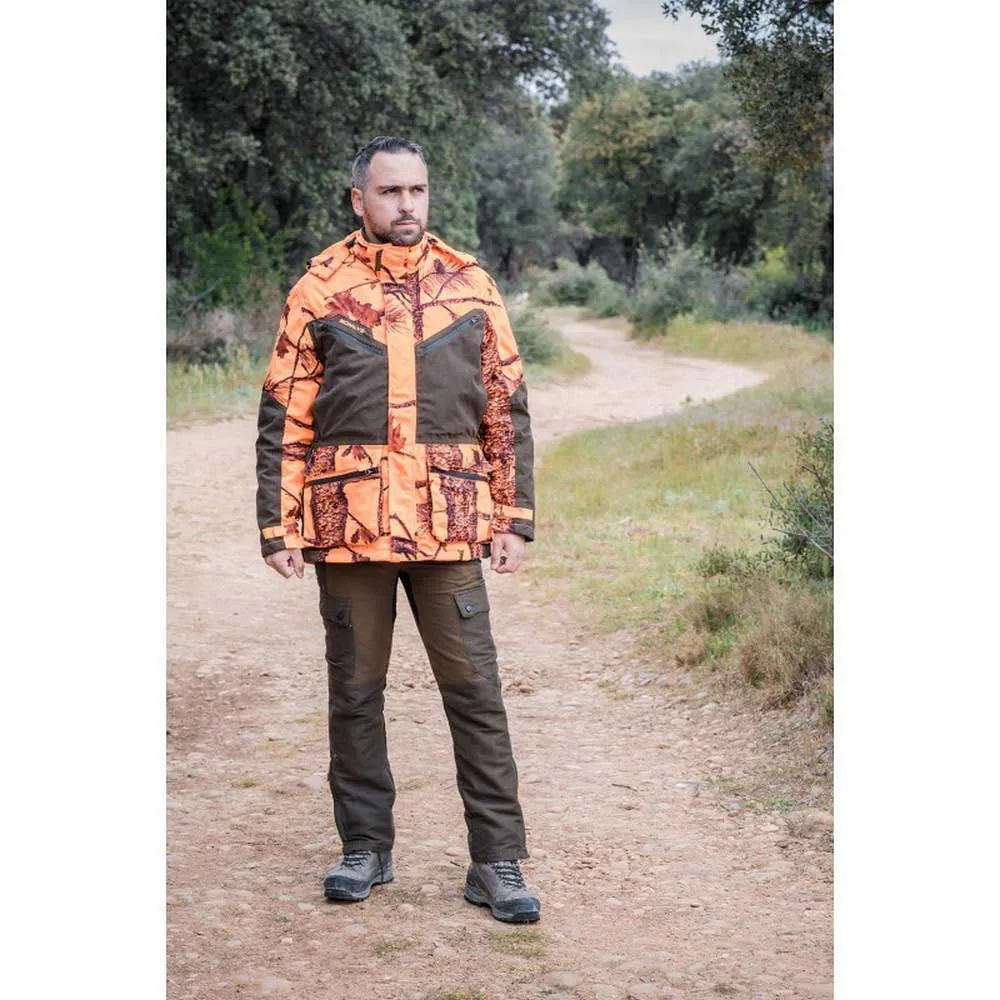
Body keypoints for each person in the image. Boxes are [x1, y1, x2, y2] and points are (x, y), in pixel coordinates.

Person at [254, 135, 539, 924]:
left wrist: (514, 517)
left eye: (417, 189)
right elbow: (285, 414)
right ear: (360, 200)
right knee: (354, 693)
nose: (406, 204)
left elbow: (505, 408)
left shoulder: (470, 283)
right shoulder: (320, 287)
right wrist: (279, 525)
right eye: (390, 192)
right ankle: (365, 850)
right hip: (350, 528)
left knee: (475, 693)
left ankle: (497, 862)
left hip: (450, 525)